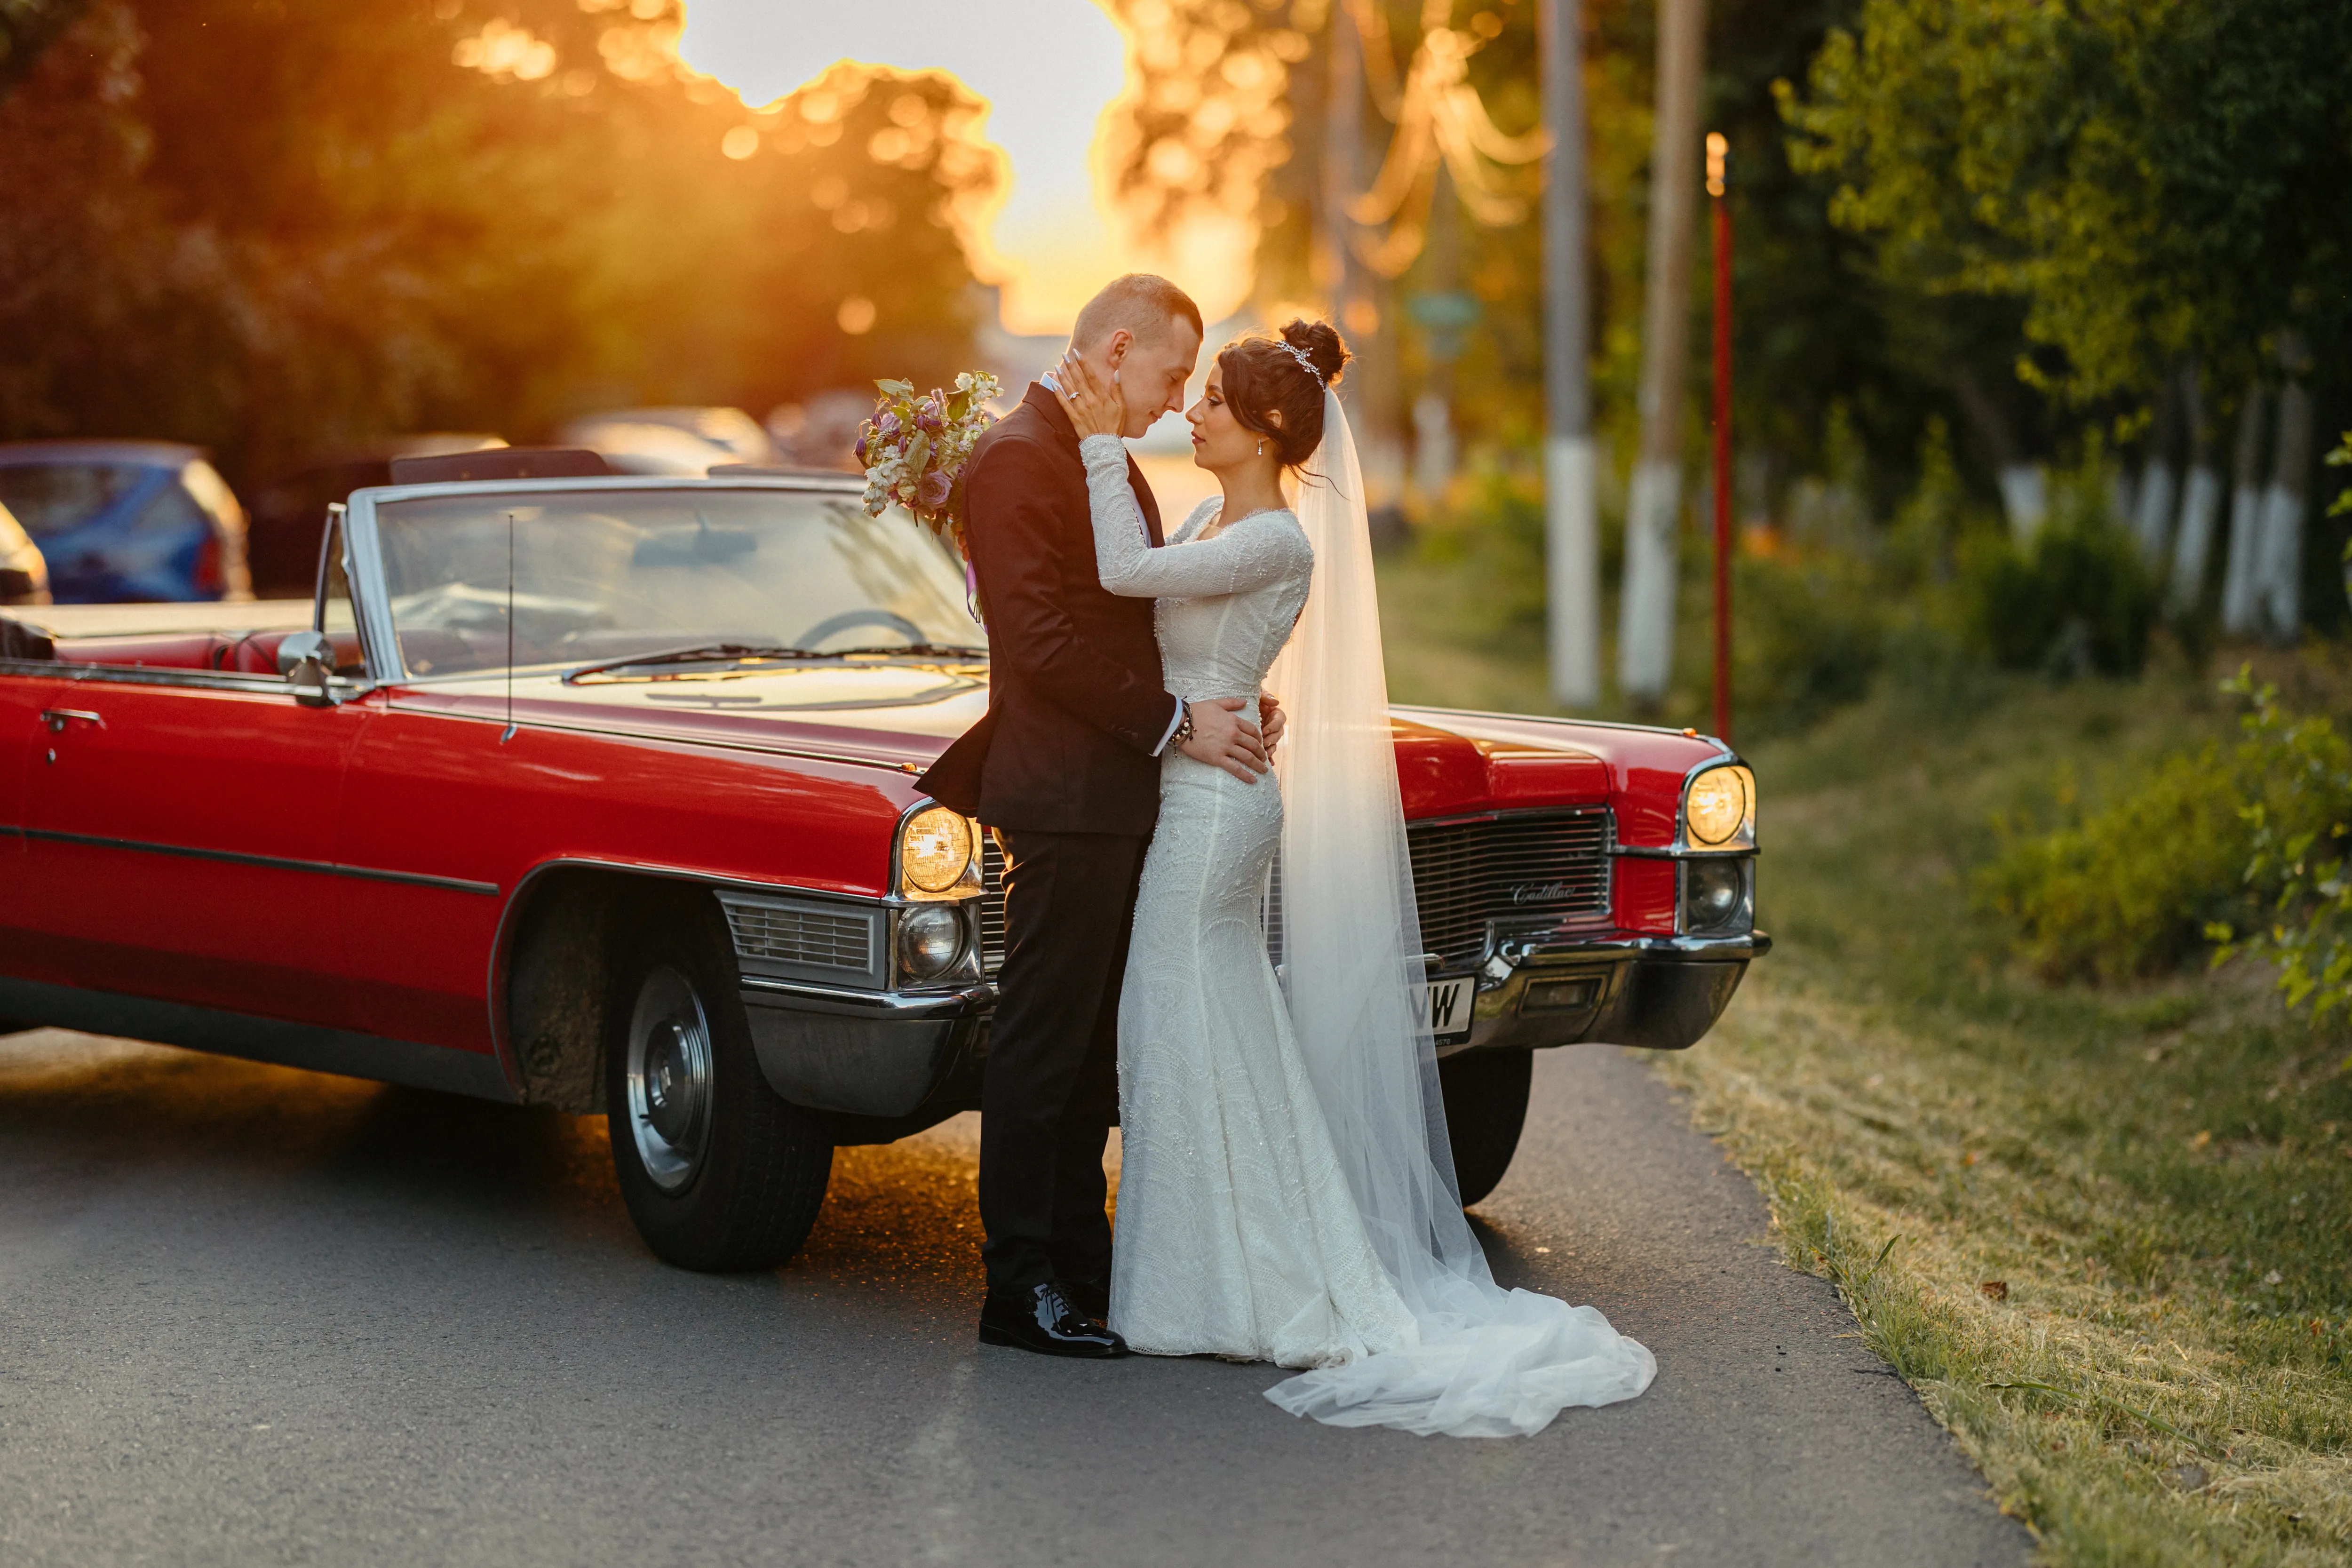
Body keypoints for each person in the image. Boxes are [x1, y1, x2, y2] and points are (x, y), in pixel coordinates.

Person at [1051, 319, 1659, 1436]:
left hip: (1217, 808)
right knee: (1198, 1023)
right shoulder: (1211, 516)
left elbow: (1121, 572)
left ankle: (1245, 1280)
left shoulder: (1275, 538)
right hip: (1200, 775)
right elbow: (1167, 630)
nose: (1194, 413)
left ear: (1268, 431)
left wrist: (1097, 446)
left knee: (1182, 1011)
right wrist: (1222, 698)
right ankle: (1207, 1277)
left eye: (1216, 404)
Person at [917, 274, 1282, 1359]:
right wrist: (1178, 720)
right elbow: (1039, 644)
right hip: (1066, 798)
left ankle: (1083, 1266)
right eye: (1174, 374)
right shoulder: (1017, 458)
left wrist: (1222, 688)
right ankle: (1016, 1287)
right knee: (1041, 1047)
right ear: (1116, 348)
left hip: (1117, 793)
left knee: (1088, 1059)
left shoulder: (1103, 460)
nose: (1179, 401)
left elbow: (1135, 619)